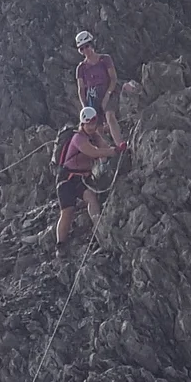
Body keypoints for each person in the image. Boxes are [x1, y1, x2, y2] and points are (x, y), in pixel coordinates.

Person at [56, 109, 116, 248]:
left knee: (91, 198)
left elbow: (103, 149)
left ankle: (98, 229)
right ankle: (60, 245)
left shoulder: (94, 136)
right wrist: (112, 151)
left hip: (81, 178)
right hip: (66, 178)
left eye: (92, 123)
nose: (90, 126)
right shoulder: (78, 138)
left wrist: (112, 149)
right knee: (67, 211)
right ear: (82, 124)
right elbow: (93, 152)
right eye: (87, 124)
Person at [75, 31, 125, 143]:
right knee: (97, 128)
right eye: (81, 49)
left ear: (92, 44)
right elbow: (81, 89)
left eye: (86, 46)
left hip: (108, 91)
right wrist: (85, 107)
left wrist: (107, 95)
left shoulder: (105, 59)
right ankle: (106, 154)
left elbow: (113, 78)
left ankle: (121, 145)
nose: (85, 50)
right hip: (93, 97)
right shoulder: (81, 68)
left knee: (109, 115)